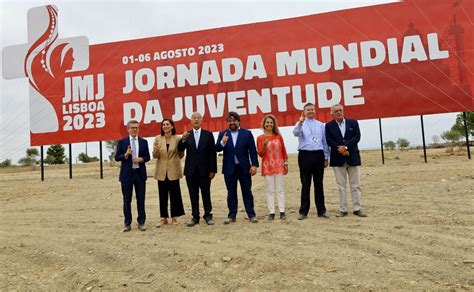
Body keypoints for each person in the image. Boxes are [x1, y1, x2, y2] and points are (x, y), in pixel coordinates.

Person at [216, 111, 259, 224]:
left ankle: (251, 214)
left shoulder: (247, 134)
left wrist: (254, 165)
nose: (232, 122)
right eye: (230, 121)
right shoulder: (223, 134)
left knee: (247, 192)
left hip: (244, 168)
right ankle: (232, 215)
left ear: (238, 121)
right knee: (231, 193)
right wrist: (222, 142)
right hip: (229, 169)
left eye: (234, 120)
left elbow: (252, 151)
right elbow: (217, 148)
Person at [325, 104, 367, 218]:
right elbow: (329, 140)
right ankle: (343, 210)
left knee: (355, 185)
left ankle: (357, 209)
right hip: (337, 159)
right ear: (332, 114)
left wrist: (346, 147)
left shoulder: (353, 123)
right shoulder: (328, 126)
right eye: (336, 111)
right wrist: (340, 149)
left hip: (353, 157)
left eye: (340, 110)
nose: (338, 112)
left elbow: (357, 137)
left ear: (343, 111)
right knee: (341, 186)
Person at [178, 112, 217, 227]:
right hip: (191, 171)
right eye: (194, 118)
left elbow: (212, 154)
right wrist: (183, 139)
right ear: (191, 121)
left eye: (198, 118)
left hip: (205, 171)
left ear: (201, 120)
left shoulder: (208, 135)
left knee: (206, 193)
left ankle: (208, 215)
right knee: (193, 194)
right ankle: (195, 216)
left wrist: (213, 170)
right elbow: (180, 149)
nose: (196, 120)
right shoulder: (187, 135)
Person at [292, 103, 330, 220]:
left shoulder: (320, 125)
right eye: (308, 110)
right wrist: (300, 123)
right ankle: (303, 212)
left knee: (319, 184)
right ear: (304, 112)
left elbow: (324, 142)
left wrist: (326, 156)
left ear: (315, 111)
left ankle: (321, 211)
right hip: (304, 155)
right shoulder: (301, 124)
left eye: (312, 109)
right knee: (305, 184)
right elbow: (295, 133)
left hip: (318, 155)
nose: (310, 111)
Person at [115, 120, 151, 232]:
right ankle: (127, 223)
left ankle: (141, 222)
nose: (135, 129)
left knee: (141, 199)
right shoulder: (122, 142)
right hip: (127, 175)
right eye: (132, 128)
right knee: (127, 200)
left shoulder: (144, 142)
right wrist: (126, 155)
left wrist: (141, 159)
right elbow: (117, 157)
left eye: (136, 127)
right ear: (128, 129)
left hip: (139, 175)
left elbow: (148, 157)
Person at [153, 119, 185, 226]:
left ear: (172, 126)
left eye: (167, 124)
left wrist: (175, 159)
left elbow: (181, 154)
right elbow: (154, 156)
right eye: (163, 124)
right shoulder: (158, 138)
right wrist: (156, 151)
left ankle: (175, 217)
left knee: (175, 194)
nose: (165, 126)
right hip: (161, 171)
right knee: (162, 195)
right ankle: (164, 218)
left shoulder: (177, 139)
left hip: (173, 170)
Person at [256, 114, 289, 221]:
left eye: (271, 122)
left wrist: (286, 163)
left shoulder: (278, 136)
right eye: (267, 122)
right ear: (264, 124)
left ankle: (282, 211)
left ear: (273, 124)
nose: (269, 124)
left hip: (279, 165)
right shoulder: (260, 138)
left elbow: (283, 151)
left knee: (280, 189)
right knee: (270, 190)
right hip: (267, 167)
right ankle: (271, 212)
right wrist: (265, 145)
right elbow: (260, 154)